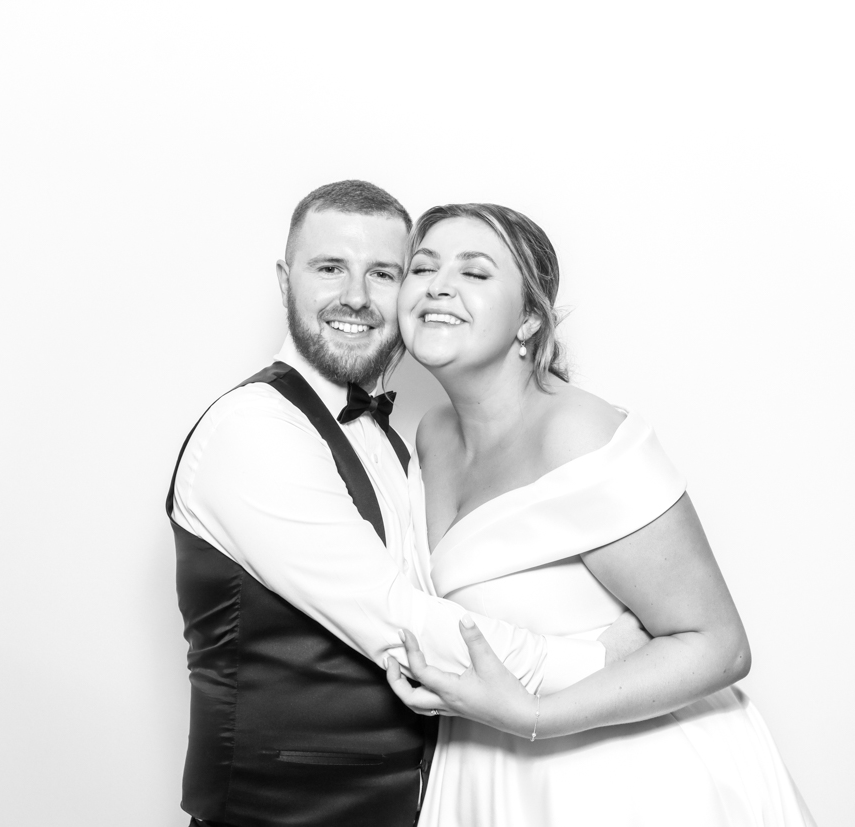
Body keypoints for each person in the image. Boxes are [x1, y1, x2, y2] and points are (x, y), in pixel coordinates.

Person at [165, 182, 640, 827]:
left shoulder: (394, 439)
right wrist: (599, 660)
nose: (356, 297)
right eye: (330, 267)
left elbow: (452, 595)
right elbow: (400, 620)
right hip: (280, 811)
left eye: (383, 273)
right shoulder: (251, 430)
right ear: (285, 280)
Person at [385, 203, 816, 826]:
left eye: (475, 273)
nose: (438, 285)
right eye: (422, 268)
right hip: (489, 774)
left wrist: (534, 718)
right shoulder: (431, 435)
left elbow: (719, 646)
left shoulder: (581, 435)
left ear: (530, 318)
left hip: (630, 784)